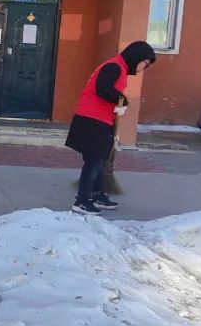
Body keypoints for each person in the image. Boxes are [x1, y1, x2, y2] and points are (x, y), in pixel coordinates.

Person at [65, 41, 156, 215]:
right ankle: (82, 201)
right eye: (144, 62)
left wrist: (119, 103)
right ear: (135, 56)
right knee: (94, 161)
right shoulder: (114, 66)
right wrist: (122, 100)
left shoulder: (119, 67)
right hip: (92, 119)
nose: (144, 67)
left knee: (100, 160)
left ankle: (96, 195)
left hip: (100, 118)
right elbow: (103, 89)